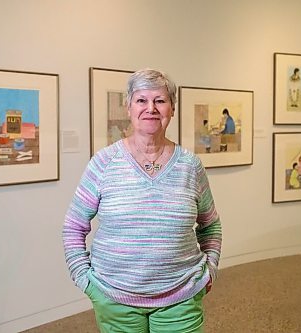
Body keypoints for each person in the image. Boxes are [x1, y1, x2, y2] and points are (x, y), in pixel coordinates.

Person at [63, 68, 222, 333]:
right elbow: (73, 226)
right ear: (129, 107)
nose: (151, 108)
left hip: (181, 296)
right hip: (114, 297)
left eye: (160, 101)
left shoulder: (190, 165)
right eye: (141, 100)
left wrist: (211, 268)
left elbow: (210, 224)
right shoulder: (103, 163)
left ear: (172, 109)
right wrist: (84, 279)